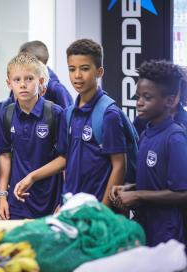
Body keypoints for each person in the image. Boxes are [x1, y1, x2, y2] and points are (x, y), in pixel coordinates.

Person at [13, 39, 127, 207]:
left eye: (85, 69)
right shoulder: (69, 114)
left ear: (99, 71)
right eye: (72, 69)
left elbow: (119, 166)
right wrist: (32, 177)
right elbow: (65, 159)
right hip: (72, 206)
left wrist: (104, 211)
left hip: (97, 210)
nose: (77, 75)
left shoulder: (109, 115)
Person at [110, 60, 187, 247]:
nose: (139, 103)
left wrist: (139, 195)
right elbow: (157, 180)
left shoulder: (175, 138)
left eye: (147, 97)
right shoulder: (145, 133)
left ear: (170, 100)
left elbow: (183, 192)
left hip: (167, 233)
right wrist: (131, 188)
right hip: (145, 227)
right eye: (138, 96)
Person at [0, 54, 63, 220]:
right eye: (17, 80)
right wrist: (2, 197)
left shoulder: (55, 113)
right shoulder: (6, 114)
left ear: (40, 81)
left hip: (49, 200)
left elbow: (65, 160)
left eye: (29, 78)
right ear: (8, 83)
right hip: (17, 200)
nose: (23, 85)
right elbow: (4, 155)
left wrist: (64, 200)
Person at [19, 40, 73, 108]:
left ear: (39, 63)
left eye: (24, 62)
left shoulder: (57, 90)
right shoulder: (19, 85)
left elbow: (68, 117)